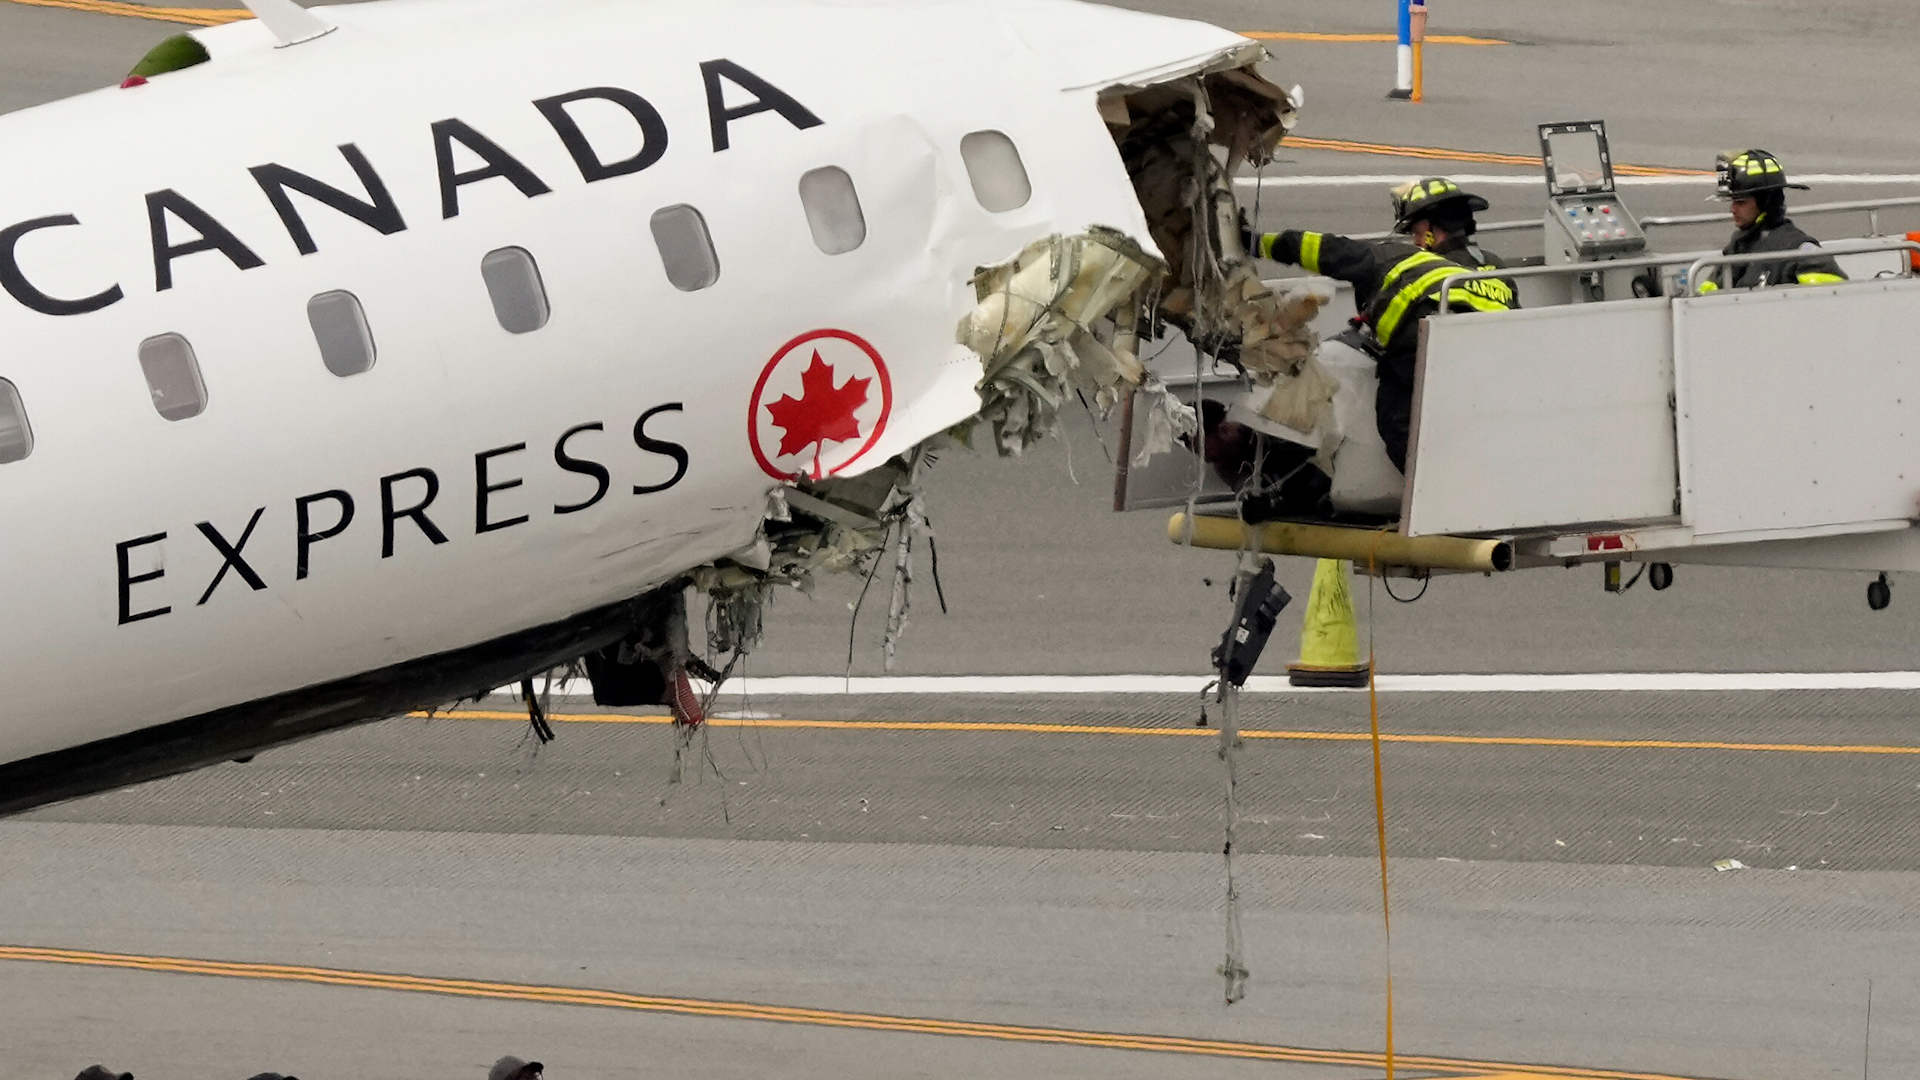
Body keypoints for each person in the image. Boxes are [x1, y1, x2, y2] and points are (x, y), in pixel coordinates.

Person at [1244, 192, 1514, 472]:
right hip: (1494, 363)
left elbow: (1328, 251)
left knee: (1396, 423)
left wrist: (1259, 244)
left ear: (1437, 228)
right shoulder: (1492, 268)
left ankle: (1434, 495)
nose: (1415, 240)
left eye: (1417, 232)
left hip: (1425, 354)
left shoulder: (1406, 259)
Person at [1711, 150, 1846, 290]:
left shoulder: (1797, 249)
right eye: (1732, 202)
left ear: (1766, 202)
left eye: (1741, 203)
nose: (1733, 209)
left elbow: (1831, 297)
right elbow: (1705, 296)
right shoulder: (1738, 246)